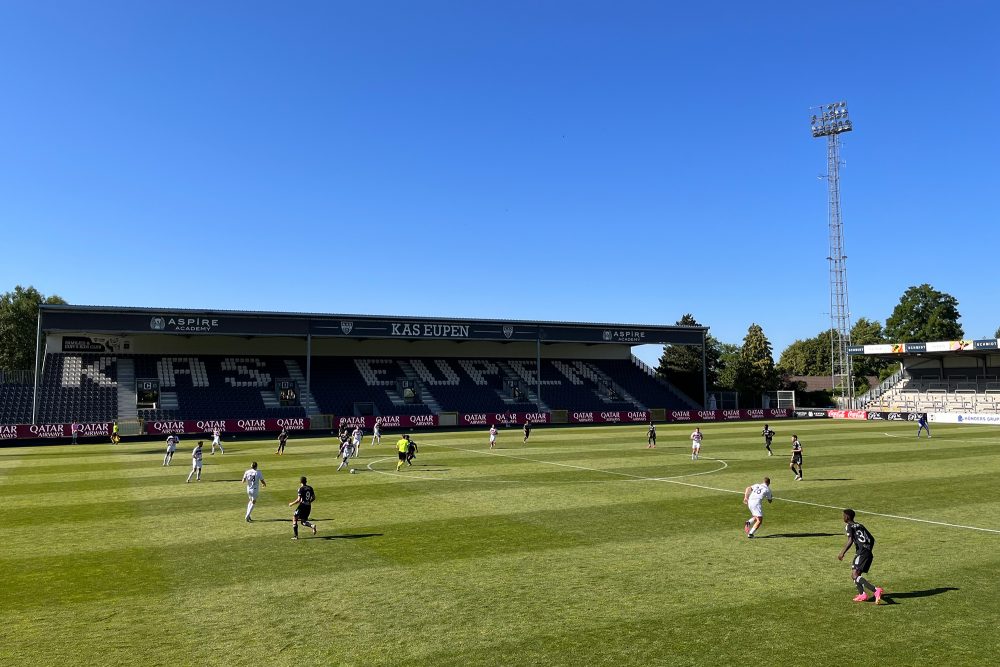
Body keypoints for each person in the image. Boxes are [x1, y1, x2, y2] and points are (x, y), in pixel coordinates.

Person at [837, 509, 884, 604]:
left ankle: (875, 590)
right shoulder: (860, 525)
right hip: (866, 552)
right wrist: (868, 549)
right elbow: (871, 539)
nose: (843, 517)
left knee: (855, 575)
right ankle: (862, 594)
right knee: (855, 574)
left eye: (844, 515)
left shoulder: (849, 526)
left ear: (847, 517)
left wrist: (842, 552)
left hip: (861, 553)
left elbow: (850, 540)